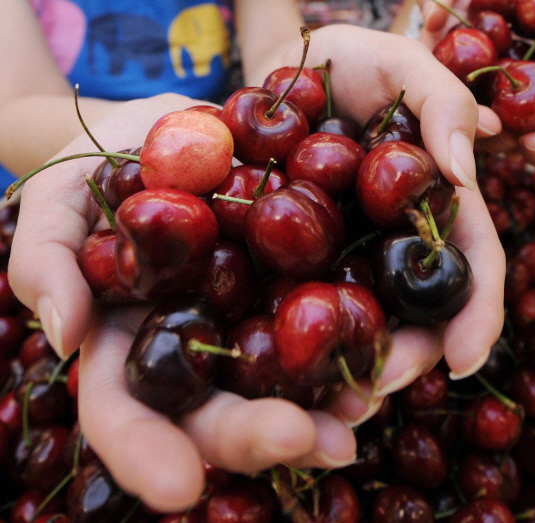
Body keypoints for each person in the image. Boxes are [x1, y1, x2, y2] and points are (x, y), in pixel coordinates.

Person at [0, 0, 508, 513]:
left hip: (241, 170)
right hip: (186, 168)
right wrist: (164, 140)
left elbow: (272, 61)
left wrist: (291, 74)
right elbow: (9, 108)